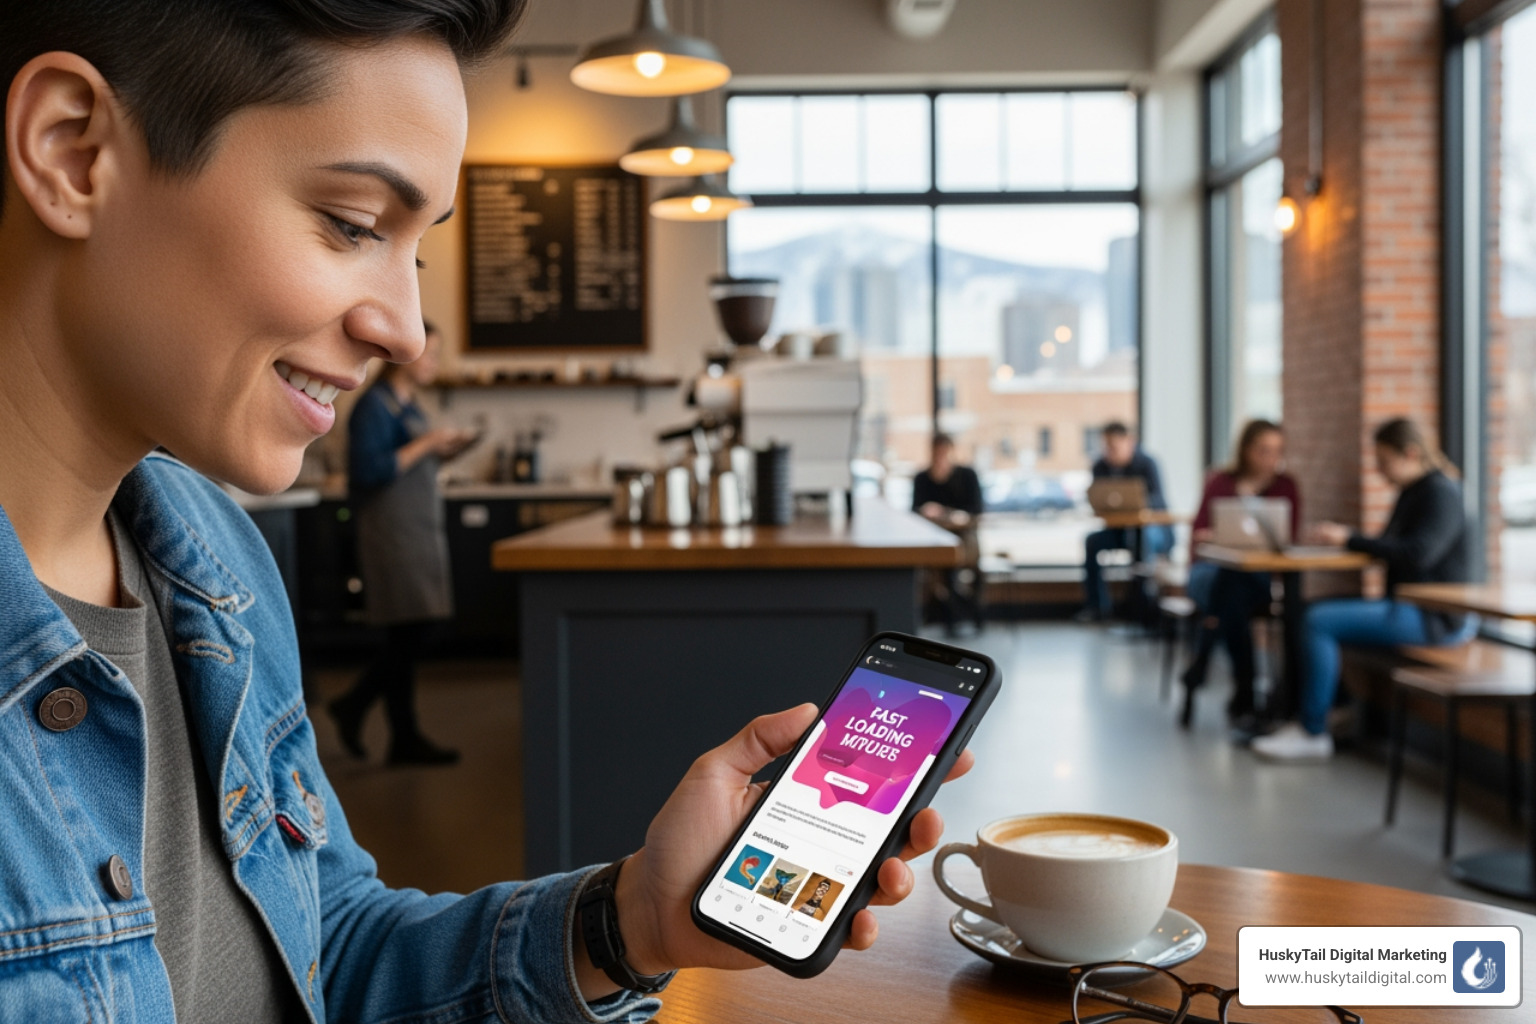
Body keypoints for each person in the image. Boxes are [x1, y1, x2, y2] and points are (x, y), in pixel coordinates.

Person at [0, 4, 972, 1020]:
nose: (408, 330)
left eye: (413, 257)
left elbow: (327, 949)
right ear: (74, 152)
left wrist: (630, 919)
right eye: (355, 225)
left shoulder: (212, 562)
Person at [1253, 419, 1477, 762]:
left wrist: (1349, 538)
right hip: (1406, 607)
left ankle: (1313, 730)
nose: (1380, 471)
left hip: (1436, 618)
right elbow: (1388, 545)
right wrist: (1342, 539)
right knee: (1305, 611)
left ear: (1411, 453)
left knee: (1318, 621)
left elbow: (1417, 554)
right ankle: (1333, 709)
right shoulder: (1412, 493)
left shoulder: (1440, 494)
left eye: (1385, 461)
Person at [330, 321, 474, 765]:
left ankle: (394, 731)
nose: (433, 361)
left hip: (416, 529)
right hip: (391, 534)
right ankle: (361, 709)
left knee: (411, 629)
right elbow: (369, 471)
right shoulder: (374, 407)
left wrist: (444, 449)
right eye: (429, 353)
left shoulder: (409, 404)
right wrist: (428, 443)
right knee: (410, 629)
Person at [1179, 420, 1301, 727]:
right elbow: (1196, 534)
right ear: (1246, 450)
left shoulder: (1286, 487)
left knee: (1232, 591)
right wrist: (1209, 537)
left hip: (1256, 577)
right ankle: (1246, 691)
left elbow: (1288, 541)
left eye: (1277, 451)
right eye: (1264, 450)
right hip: (1208, 572)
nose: (1271, 459)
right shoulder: (1220, 482)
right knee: (1228, 582)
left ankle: (1221, 673)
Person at [1079, 421, 1172, 621]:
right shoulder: (1100, 466)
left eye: (1113, 446)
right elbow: (1097, 500)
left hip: (1151, 529)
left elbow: (1159, 500)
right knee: (1092, 541)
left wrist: (1139, 501)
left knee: (1142, 540)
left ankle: (1141, 607)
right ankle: (1098, 607)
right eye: (1105, 446)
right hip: (1119, 531)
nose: (1108, 451)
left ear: (1130, 442)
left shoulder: (1147, 463)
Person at [912, 434, 984, 633]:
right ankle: (950, 617)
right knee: (943, 569)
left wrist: (952, 513)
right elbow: (914, 509)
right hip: (934, 538)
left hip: (964, 536)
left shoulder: (967, 476)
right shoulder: (923, 478)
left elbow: (977, 509)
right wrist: (927, 510)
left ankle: (969, 614)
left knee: (961, 566)